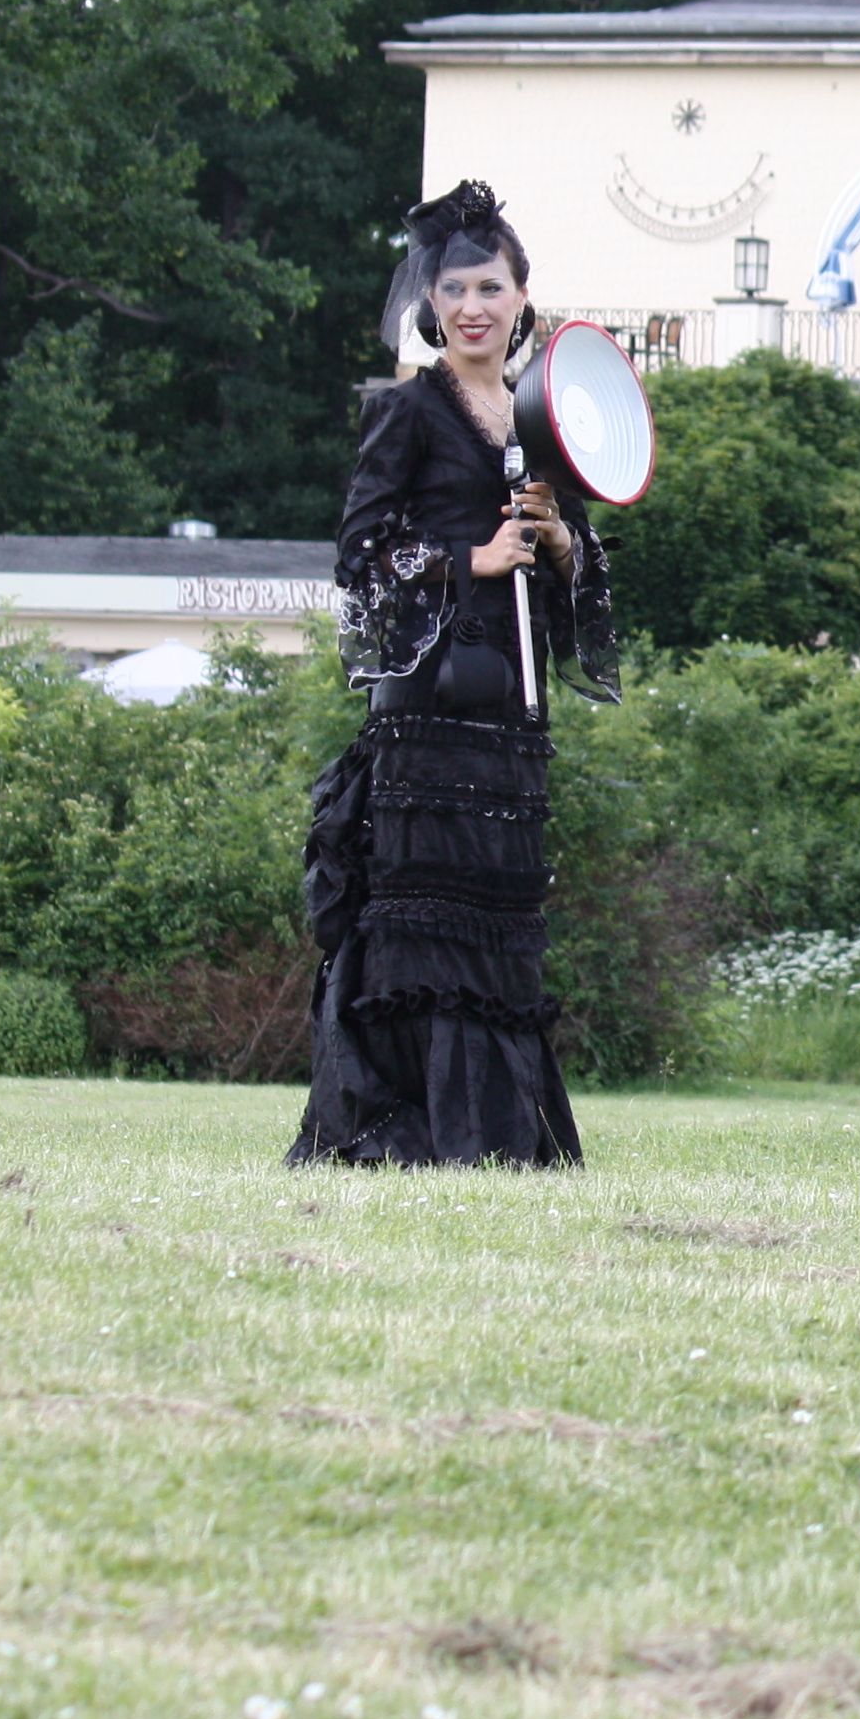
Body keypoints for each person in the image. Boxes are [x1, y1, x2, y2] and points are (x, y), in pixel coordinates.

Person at [291, 182, 616, 1168]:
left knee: (497, 915)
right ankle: (413, 1134)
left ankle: (502, 1137)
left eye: (491, 287)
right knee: (422, 917)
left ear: (522, 300)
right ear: (431, 302)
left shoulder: (540, 421)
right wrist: (467, 558)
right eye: (455, 289)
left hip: (512, 716)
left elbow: (581, 569)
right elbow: (359, 554)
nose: (473, 306)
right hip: (428, 710)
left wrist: (560, 543)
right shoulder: (407, 411)